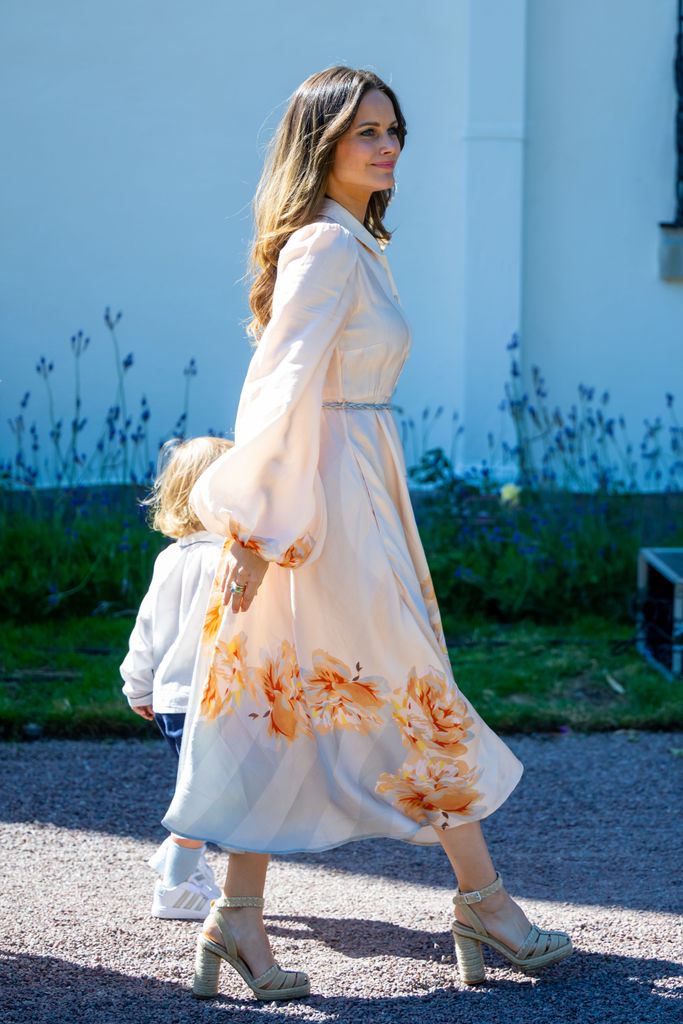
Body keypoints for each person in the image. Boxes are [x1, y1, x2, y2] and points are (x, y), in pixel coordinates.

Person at [162, 65, 573, 1002]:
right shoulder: (326, 249)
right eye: (366, 133)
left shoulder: (351, 243)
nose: (389, 147)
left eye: (393, 130)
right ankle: (482, 899)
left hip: (355, 486)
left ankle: (238, 919)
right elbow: (276, 394)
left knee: (288, 700)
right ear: (323, 146)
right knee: (396, 687)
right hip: (324, 505)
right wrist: (255, 531)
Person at [120, 435, 234, 920]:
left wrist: (138, 686)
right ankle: (176, 883)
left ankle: (181, 860)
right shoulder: (231, 559)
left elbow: (146, 629)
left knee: (202, 787)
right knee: (214, 793)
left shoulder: (170, 558)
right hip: (214, 696)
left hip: (172, 698)